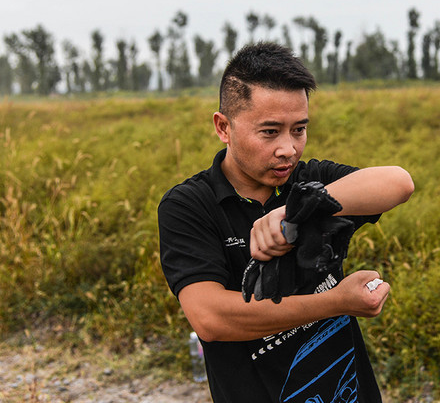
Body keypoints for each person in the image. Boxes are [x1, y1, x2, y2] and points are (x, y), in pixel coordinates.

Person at [158, 42, 414, 402]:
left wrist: (300, 211)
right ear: (223, 127)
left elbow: (398, 182)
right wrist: (337, 302)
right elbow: (211, 319)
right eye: (269, 131)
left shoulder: (310, 181)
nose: (288, 149)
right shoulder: (190, 205)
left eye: (299, 129)